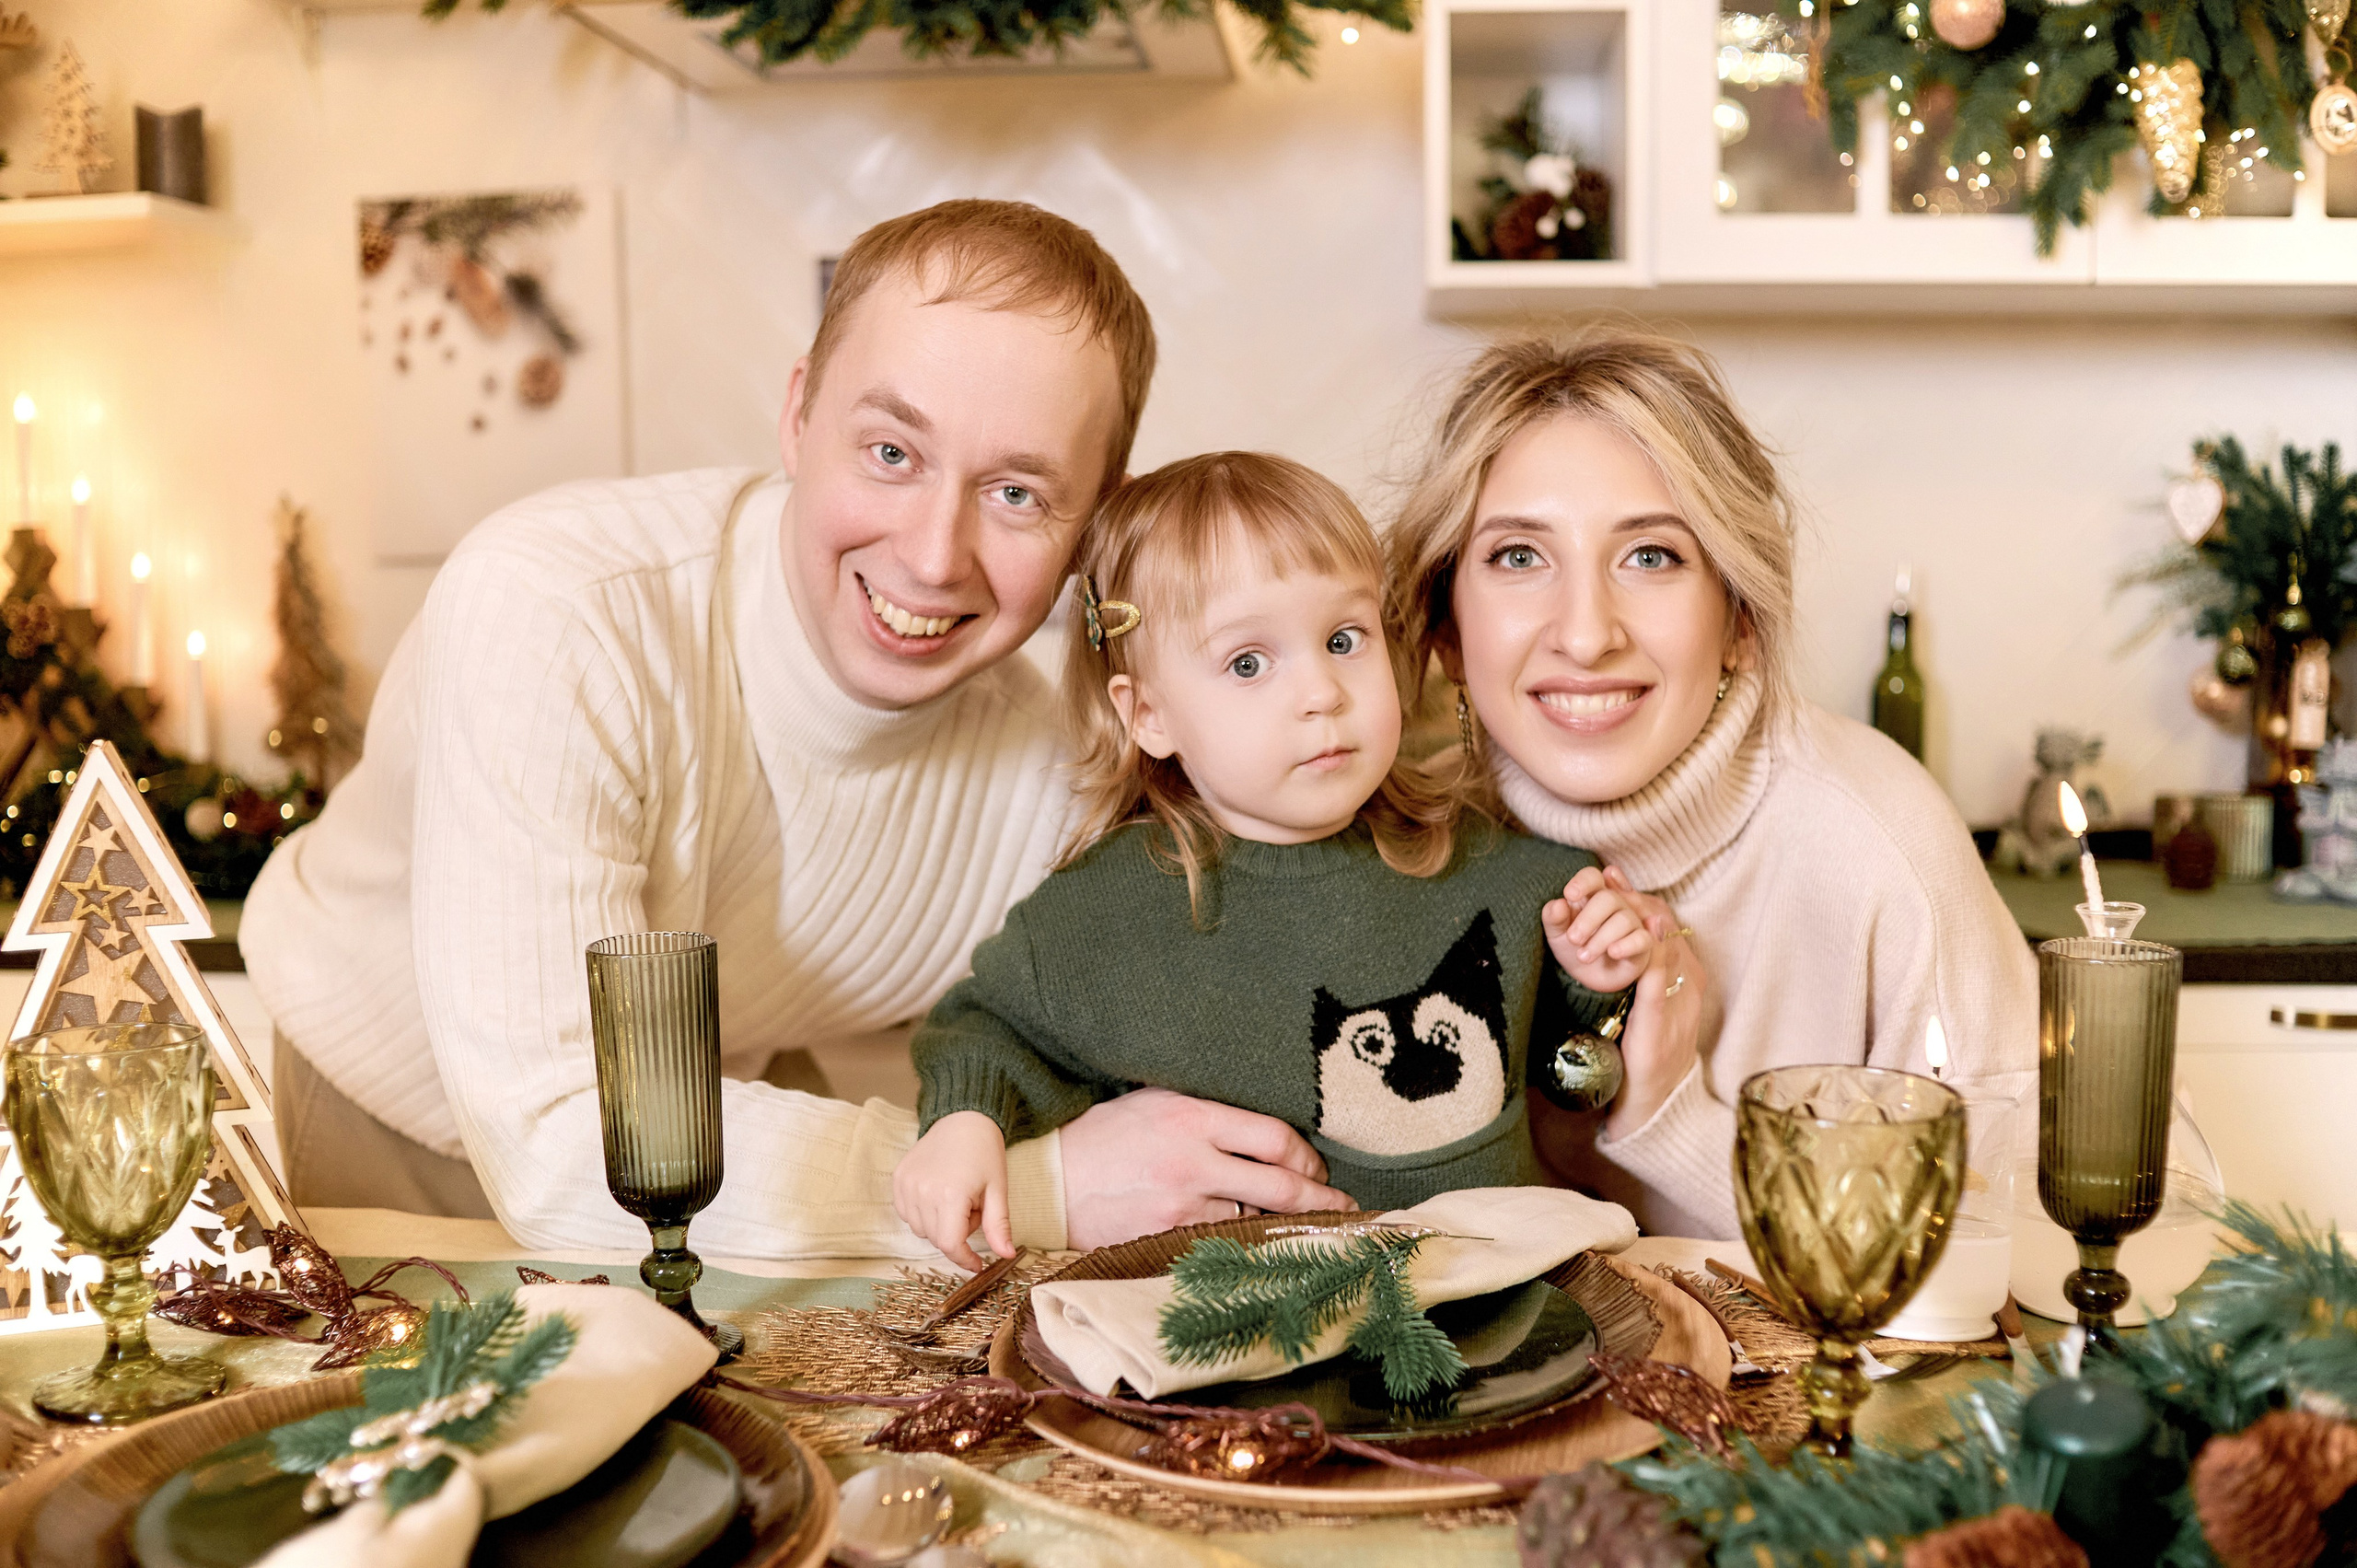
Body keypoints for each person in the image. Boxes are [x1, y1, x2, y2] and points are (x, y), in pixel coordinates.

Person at [240, 201, 1357, 1258]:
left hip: (729, 1119)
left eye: (1017, 493)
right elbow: (557, 1138)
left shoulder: (1060, 756)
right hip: (384, 1126)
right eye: (891, 453)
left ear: (1090, 521)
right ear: (797, 414)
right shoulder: (560, 610)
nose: (932, 555)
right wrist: (1038, 1188)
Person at [892, 452, 1660, 1268]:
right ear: (1149, 713)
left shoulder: (1493, 865)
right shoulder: (1104, 919)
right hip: (1252, 1329)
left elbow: (1571, 1064)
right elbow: (987, 1025)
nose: (1322, 691)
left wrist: (1595, 972)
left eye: (1342, 639)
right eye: (1249, 663)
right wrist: (964, 1122)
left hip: (1505, 1302)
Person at [1383, 331, 2037, 1240]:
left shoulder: (1880, 839)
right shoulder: (1387, 845)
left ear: (1737, 616)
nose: (1584, 634)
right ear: (1447, 625)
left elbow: (1996, 1235)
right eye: (1518, 557)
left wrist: (1670, 1114)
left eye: (1649, 555)